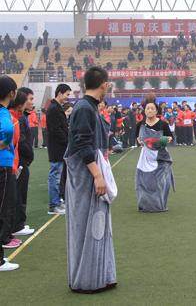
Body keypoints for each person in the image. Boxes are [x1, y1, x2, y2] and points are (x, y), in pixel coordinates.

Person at [65, 66, 117, 293]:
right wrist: (97, 175)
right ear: (103, 84)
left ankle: (100, 274)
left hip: (92, 172)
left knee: (98, 224)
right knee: (88, 225)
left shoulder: (89, 107)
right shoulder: (84, 108)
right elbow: (82, 143)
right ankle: (86, 279)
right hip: (86, 176)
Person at [135, 98, 174, 212]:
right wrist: (140, 142)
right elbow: (137, 139)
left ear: (156, 111)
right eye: (148, 108)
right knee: (142, 181)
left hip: (161, 157)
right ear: (144, 111)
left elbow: (170, 137)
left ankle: (159, 205)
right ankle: (145, 205)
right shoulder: (140, 124)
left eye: (152, 108)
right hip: (146, 157)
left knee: (160, 182)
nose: (150, 110)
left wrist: (160, 141)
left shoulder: (163, 124)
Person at [0, 75, 19, 272]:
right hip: (3, 165)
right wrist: (4, 143)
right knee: (2, 210)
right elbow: (7, 130)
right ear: (11, 93)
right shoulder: (4, 113)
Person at [12, 88, 36, 237]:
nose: (32, 102)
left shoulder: (23, 116)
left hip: (23, 161)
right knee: (18, 193)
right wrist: (28, 155)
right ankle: (17, 225)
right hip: (19, 161)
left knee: (20, 192)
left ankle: (19, 222)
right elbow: (20, 142)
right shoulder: (18, 119)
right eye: (30, 99)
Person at [46, 83, 71, 215]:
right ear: (60, 93)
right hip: (57, 148)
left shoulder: (56, 107)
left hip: (60, 147)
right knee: (55, 176)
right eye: (67, 94)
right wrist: (67, 142)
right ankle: (53, 205)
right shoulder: (53, 108)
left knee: (58, 175)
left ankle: (57, 202)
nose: (67, 97)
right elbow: (56, 130)